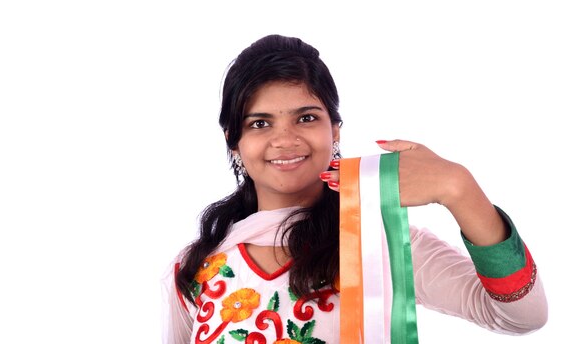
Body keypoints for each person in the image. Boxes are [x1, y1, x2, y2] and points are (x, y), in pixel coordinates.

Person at [161, 34, 548, 343]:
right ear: (234, 141)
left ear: (335, 131)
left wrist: (459, 188)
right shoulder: (197, 268)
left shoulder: (381, 244)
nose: (285, 139)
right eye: (260, 124)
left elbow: (520, 317)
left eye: (306, 118)